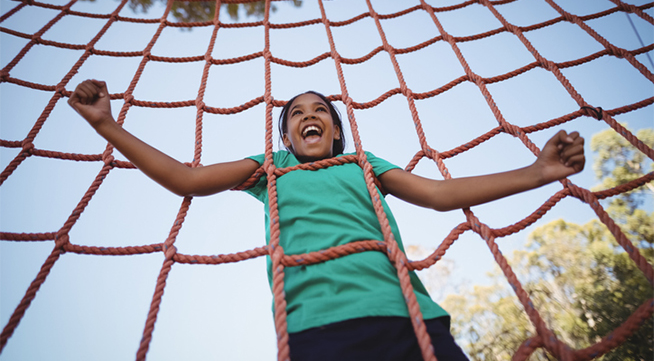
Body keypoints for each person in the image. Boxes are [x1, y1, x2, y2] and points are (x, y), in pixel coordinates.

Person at [68, 79, 585, 361]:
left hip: (411, 319)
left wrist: (537, 171)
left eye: (320, 110)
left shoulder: (363, 164)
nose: (308, 114)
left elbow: (438, 194)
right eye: (295, 113)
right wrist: (107, 125)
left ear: (336, 133)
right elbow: (186, 178)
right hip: (317, 331)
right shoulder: (270, 169)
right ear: (286, 137)